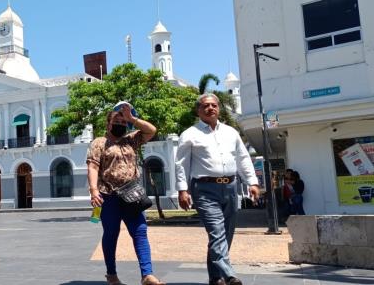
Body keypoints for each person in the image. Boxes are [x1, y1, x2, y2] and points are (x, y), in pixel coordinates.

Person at [175, 94, 260, 285]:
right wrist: (182, 190)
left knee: (226, 233)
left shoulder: (231, 132)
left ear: (219, 109)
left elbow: (243, 159)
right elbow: (181, 165)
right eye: (206, 106)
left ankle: (215, 277)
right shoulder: (189, 134)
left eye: (214, 105)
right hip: (204, 189)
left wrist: (252, 182)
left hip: (230, 187)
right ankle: (229, 274)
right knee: (216, 231)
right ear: (198, 110)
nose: (210, 108)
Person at [87, 102, 166, 285]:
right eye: (117, 120)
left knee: (140, 232)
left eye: (124, 121)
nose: (121, 123)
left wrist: (132, 118)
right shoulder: (99, 142)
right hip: (108, 196)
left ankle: (147, 274)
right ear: (108, 124)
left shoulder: (131, 139)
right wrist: (93, 190)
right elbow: (92, 166)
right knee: (111, 233)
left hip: (132, 195)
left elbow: (151, 130)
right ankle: (112, 275)